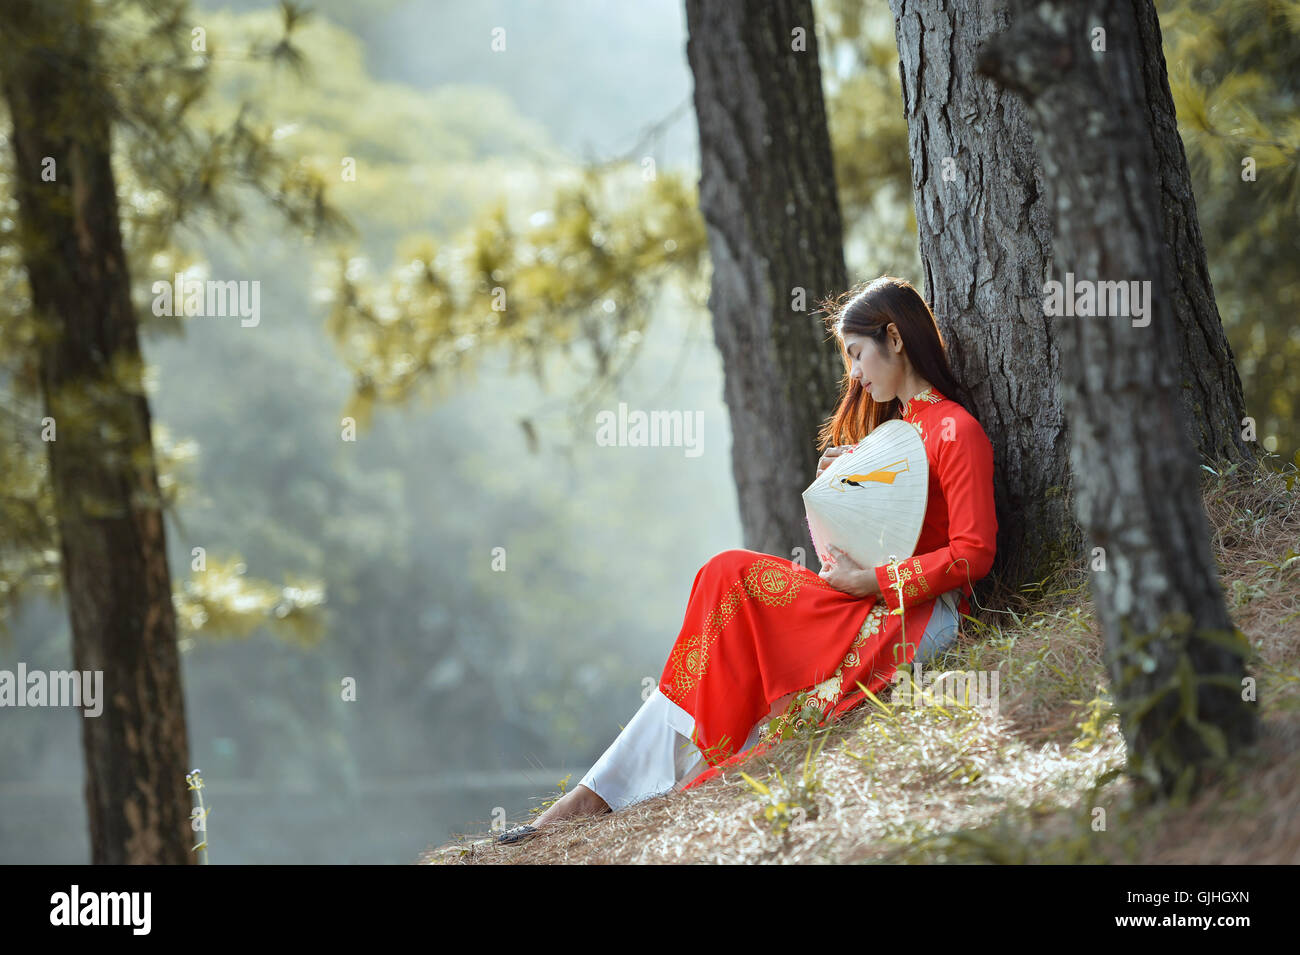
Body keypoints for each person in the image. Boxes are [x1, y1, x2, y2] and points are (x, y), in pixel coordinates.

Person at [498, 275, 998, 845]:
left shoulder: (957, 432)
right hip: (868, 597)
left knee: (733, 574)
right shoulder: (893, 435)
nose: (854, 374)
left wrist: (875, 582)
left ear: (896, 338)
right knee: (723, 577)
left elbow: (974, 553)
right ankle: (599, 791)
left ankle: (598, 794)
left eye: (857, 354)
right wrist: (844, 493)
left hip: (915, 615)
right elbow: (848, 551)